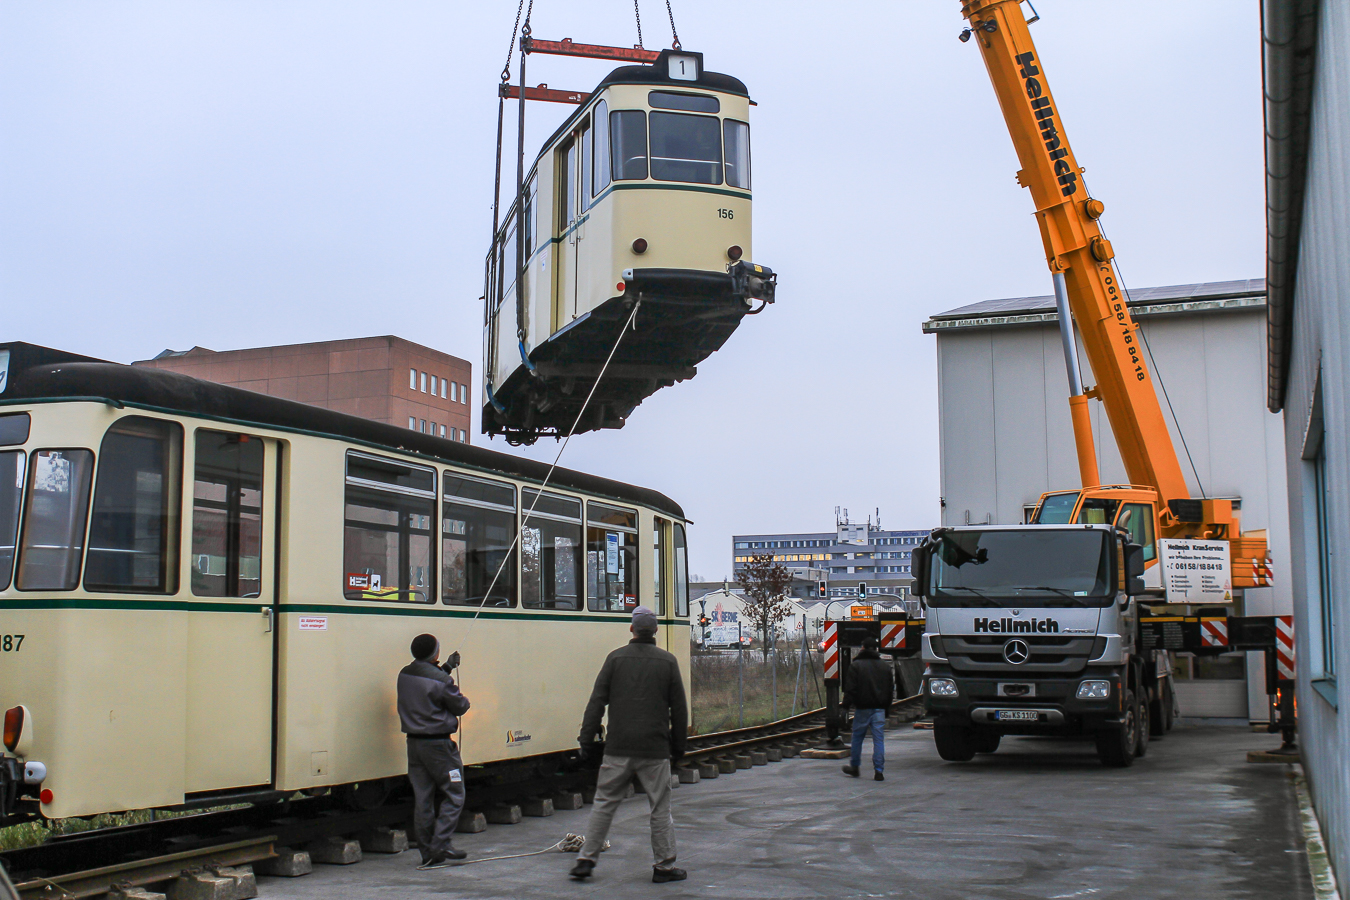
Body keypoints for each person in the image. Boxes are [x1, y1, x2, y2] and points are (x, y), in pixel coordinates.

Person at [571, 606, 689, 884]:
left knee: (604, 804)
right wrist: (679, 747)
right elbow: (680, 710)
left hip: (618, 748)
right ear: (656, 630)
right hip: (655, 750)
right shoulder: (668, 662)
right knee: (660, 808)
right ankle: (664, 867)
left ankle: (586, 860)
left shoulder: (615, 659)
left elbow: (596, 702)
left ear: (631, 629)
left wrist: (586, 740)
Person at [397, 633, 471, 869]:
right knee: (455, 792)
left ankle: (428, 852)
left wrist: (447, 667)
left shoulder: (405, 674)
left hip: (414, 745)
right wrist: (448, 676)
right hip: (439, 747)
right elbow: (460, 705)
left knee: (423, 799)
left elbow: (428, 685)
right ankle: (442, 843)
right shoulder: (442, 681)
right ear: (435, 654)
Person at [841, 635, 894, 781]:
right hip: (879, 709)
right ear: (876, 649)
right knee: (878, 740)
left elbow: (850, 689)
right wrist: (887, 707)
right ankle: (879, 770)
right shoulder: (885, 666)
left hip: (863, 708)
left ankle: (855, 767)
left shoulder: (856, 666)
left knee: (857, 737)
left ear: (863, 648)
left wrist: (845, 707)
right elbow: (890, 689)